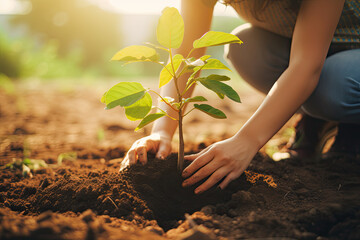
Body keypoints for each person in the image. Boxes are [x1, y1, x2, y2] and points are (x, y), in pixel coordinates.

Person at [121, 0, 360, 194]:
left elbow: (306, 66)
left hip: (349, 53)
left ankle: (351, 127)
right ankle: (317, 120)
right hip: (319, 48)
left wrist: (247, 140)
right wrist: (162, 130)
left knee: (337, 90)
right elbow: (184, 55)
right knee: (245, 47)